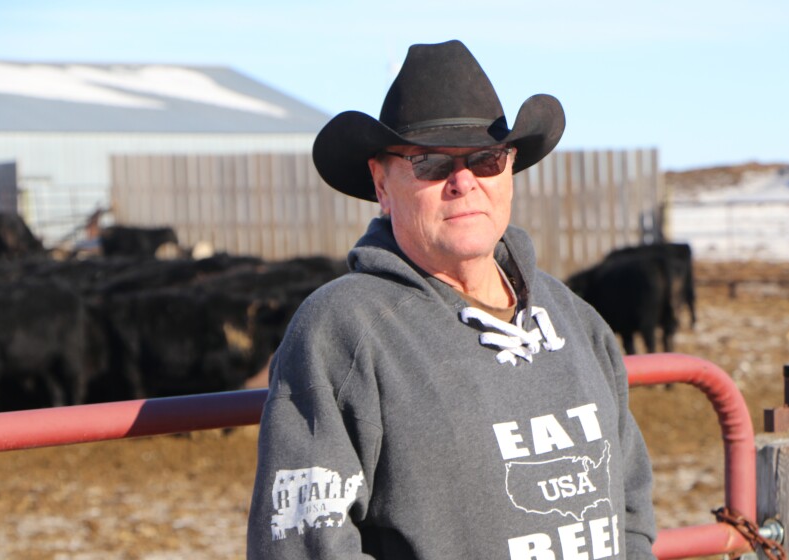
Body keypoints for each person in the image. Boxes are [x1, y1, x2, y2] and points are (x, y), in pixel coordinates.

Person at [247, 39, 657, 559]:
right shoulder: (345, 330)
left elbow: (630, 509)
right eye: (432, 163)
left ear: (508, 170)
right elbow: (304, 544)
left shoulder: (576, 320)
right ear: (382, 182)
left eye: (486, 159)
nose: (463, 182)